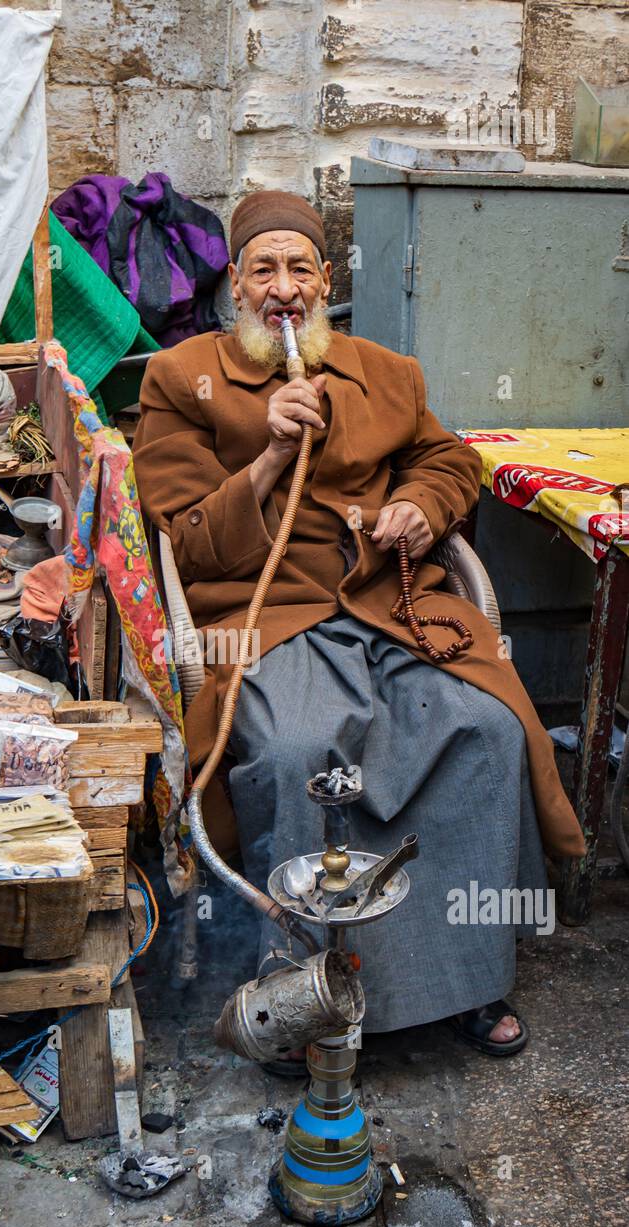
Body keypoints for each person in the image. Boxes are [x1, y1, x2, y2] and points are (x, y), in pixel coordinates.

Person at [133, 189, 584, 1062]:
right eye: (263, 269)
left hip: (389, 610)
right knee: (304, 754)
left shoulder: (387, 372)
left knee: (485, 731)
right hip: (263, 622)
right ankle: (301, 995)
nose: (283, 288)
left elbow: (449, 459)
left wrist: (419, 504)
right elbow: (183, 542)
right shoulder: (182, 380)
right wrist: (266, 454)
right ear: (235, 285)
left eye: (300, 268)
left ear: (325, 280)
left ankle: (466, 976)